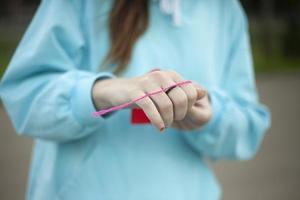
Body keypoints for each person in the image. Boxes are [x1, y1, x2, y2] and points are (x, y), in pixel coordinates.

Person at [0, 0, 271, 199]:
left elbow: (248, 126)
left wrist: (212, 115)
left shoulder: (225, 11)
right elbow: (24, 93)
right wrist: (103, 92)